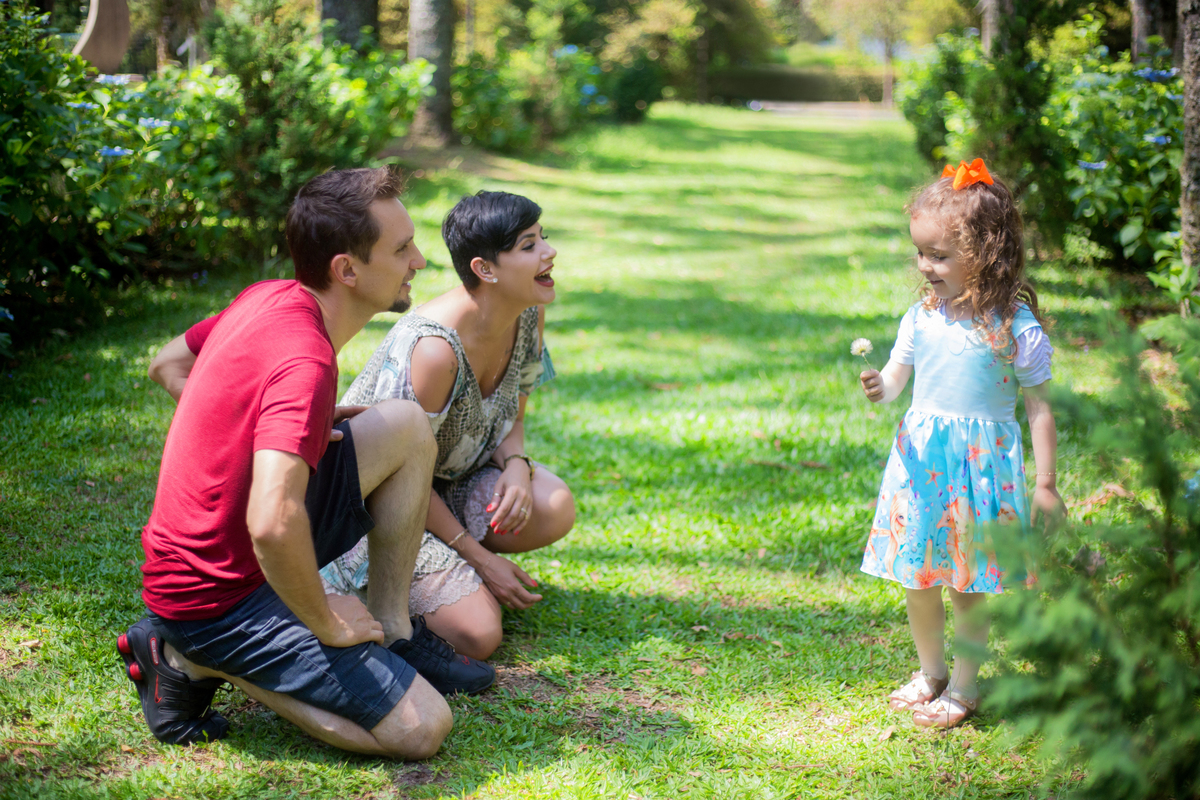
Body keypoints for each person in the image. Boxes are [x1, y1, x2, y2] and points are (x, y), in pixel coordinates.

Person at [118, 167, 494, 758]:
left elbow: (167, 364)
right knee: (421, 728)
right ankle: (187, 655)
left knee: (403, 424)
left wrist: (270, 426)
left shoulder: (271, 296)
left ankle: (393, 629)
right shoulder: (306, 361)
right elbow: (271, 521)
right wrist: (325, 622)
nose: (419, 260)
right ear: (347, 269)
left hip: (230, 548)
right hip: (215, 597)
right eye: (401, 249)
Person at [320, 191, 576, 661]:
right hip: (376, 504)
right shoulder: (433, 349)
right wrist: (481, 561)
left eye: (543, 238)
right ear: (485, 269)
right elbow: (395, 474)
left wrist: (516, 463)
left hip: (447, 485)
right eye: (527, 245)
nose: (548, 252)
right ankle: (347, 593)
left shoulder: (528, 313)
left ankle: (447, 567)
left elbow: (514, 413)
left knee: (552, 503)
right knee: (479, 636)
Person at [857, 159, 1066, 729]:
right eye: (921, 253)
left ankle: (967, 686)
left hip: (981, 470)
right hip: (922, 465)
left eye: (939, 255)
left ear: (988, 253)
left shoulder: (1014, 326)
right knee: (916, 579)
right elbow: (899, 379)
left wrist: (1045, 485)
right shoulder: (921, 316)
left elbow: (1039, 406)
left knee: (967, 588)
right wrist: (881, 387)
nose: (925, 266)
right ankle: (932, 672)